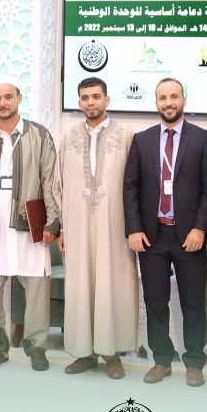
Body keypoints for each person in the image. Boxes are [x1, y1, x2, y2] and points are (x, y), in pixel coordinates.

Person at [123, 78, 207, 387]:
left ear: (183, 99)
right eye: (162, 97)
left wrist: (200, 228)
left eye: (174, 96)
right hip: (152, 236)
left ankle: (194, 362)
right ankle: (162, 360)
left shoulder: (203, 139)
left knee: (193, 302)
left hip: (189, 235)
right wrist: (134, 229)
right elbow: (131, 189)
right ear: (156, 103)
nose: (168, 102)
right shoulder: (142, 140)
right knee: (155, 302)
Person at [0, 79, 60, 371]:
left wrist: (52, 222)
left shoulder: (39, 135)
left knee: (37, 288)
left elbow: (51, 181)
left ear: (19, 98)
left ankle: (37, 347)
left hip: (30, 226)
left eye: (8, 97)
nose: (2, 103)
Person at [53, 77, 137, 379]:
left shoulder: (126, 135)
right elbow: (59, 185)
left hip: (115, 227)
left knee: (113, 284)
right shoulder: (70, 137)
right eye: (85, 97)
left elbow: (136, 184)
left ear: (107, 100)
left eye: (96, 96)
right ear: (79, 102)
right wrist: (63, 228)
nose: (91, 102)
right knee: (81, 284)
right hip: (77, 227)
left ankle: (112, 354)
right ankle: (84, 353)